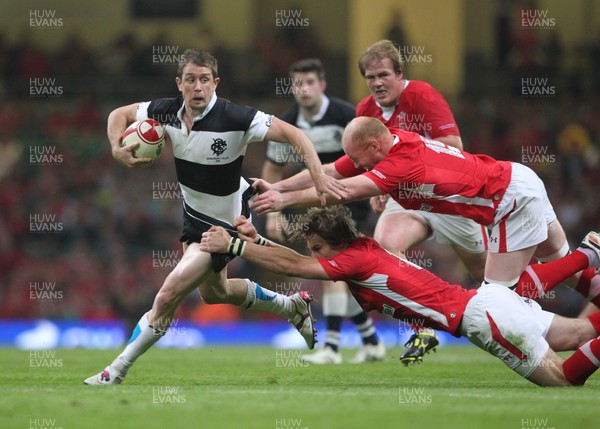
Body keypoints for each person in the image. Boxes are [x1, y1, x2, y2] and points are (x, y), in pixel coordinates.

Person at [83, 49, 348, 385]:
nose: (198, 87)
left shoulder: (236, 117)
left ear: (215, 83)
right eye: (190, 80)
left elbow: (297, 135)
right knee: (215, 293)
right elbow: (119, 114)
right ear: (179, 83)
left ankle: (116, 370)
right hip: (194, 218)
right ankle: (291, 306)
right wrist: (115, 148)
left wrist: (320, 177)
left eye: (204, 80)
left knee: (168, 295)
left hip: (226, 220)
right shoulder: (163, 112)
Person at [199, 206, 600, 387]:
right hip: (485, 302)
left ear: (333, 245)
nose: (315, 256)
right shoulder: (363, 248)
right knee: (580, 333)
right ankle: (589, 253)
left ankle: (587, 253)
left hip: (481, 320)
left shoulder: (350, 263)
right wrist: (259, 240)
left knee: (564, 380)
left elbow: (292, 267)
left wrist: (233, 245)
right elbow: (298, 260)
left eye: (318, 248)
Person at [249, 117, 600, 310]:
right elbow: (331, 172)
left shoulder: (401, 164)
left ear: (374, 145)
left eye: (358, 159)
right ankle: (585, 269)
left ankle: (589, 253)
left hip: (509, 201)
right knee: (564, 271)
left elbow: (342, 191)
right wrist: (277, 187)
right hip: (519, 180)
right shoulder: (395, 140)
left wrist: (283, 203)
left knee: (498, 300)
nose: (355, 165)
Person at [356, 39, 490, 363]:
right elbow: (370, 161)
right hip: (406, 199)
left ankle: (534, 317)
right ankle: (424, 324)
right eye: (370, 77)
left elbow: (453, 144)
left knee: (488, 275)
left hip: (449, 194)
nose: (377, 83)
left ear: (400, 73)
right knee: (384, 250)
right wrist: (380, 188)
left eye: (383, 75)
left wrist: (390, 179)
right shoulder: (365, 112)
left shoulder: (422, 94)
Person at [262, 58, 384, 364]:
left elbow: (376, 151)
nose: (304, 89)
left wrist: (378, 190)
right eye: (298, 83)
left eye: (310, 82)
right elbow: (273, 169)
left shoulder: (346, 115)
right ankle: (370, 341)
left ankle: (331, 347)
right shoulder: (288, 124)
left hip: (350, 196)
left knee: (332, 266)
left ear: (323, 85)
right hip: (317, 201)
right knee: (340, 274)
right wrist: (274, 215)